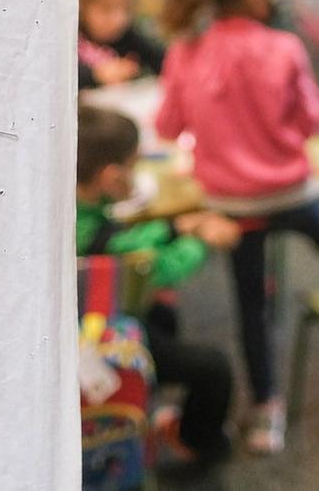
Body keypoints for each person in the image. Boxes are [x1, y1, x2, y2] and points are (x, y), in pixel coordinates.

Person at [154, 0, 319, 455]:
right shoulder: (285, 48)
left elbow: (168, 126)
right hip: (293, 191)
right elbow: (311, 121)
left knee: (252, 306)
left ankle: (266, 414)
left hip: (234, 207)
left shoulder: (187, 50)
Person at [76, 105, 239, 466]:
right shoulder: (96, 237)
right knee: (215, 369)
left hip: (87, 321)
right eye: (134, 165)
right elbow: (154, 267)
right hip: (96, 336)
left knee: (163, 313)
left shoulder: (77, 211)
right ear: (112, 176)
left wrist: (176, 228)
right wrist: (204, 239)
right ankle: (196, 443)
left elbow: (126, 241)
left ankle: (146, 397)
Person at [78, 0, 166, 90]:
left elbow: (163, 61)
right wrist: (96, 74)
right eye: (106, 9)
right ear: (81, 5)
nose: (118, 20)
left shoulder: (127, 36)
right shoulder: (72, 39)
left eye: (125, 9)